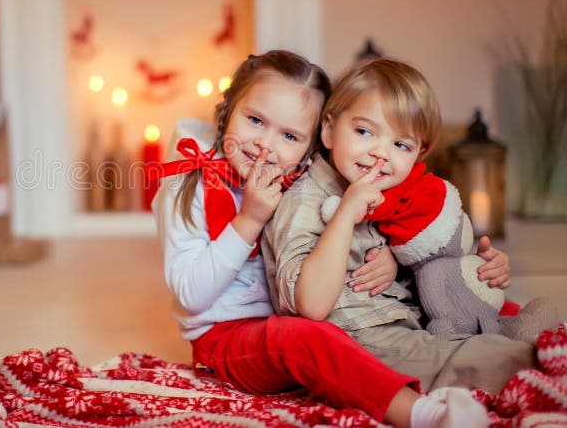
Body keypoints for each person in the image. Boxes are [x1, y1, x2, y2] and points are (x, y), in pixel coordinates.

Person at [154, 50, 490, 428]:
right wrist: (249, 219)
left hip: (304, 312)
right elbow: (190, 294)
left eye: (289, 135)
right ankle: (419, 412)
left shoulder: (304, 182)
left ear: (312, 145)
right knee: (304, 337)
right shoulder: (188, 184)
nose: (265, 145)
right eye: (254, 120)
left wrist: (391, 259)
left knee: (436, 306)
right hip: (227, 338)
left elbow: (356, 236)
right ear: (229, 109)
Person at [262, 57, 555, 395]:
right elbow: (309, 306)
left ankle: (510, 345)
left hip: (416, 325)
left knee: (539, 311)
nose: (380, 153)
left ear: (418, 154)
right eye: (364, 131)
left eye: (401, 144)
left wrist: (480, 271)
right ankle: (519, 360)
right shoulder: (304, 201)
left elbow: (433, 267)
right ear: (329, 130)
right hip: (359, 340)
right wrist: (344, 214)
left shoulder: (393, 197)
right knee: (483, 359)